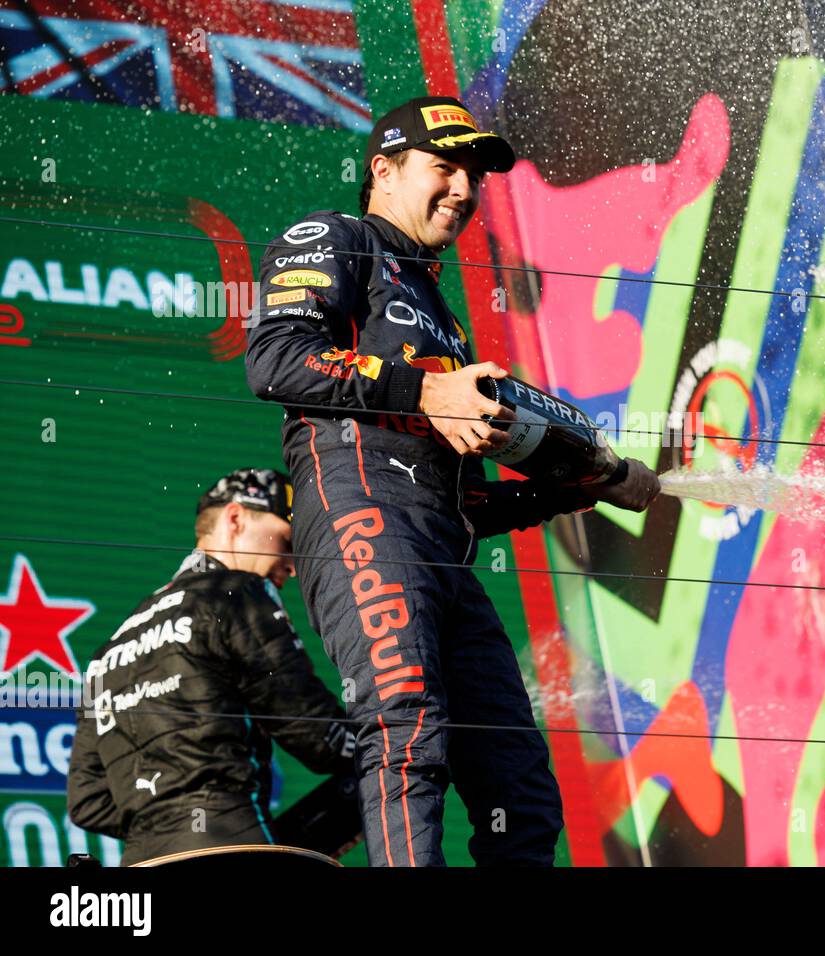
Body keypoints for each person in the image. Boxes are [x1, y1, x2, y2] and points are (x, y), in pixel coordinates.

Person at [244, 95, 659, 866]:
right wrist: (428, 390)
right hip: (361, 518)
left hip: (444, 555)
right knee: (407, 731)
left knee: (520, 789)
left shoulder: (437, 306)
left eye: (474, 175)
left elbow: (469, 503)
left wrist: (578, 485)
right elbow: (274, 361)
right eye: (446, 167)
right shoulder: (336, 237)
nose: (465, 189)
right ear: (383, 169)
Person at [67, 468, 356, 866]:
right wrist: (388, 741)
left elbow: (87, 800)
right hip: (233, 843)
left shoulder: (108, 650)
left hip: (142, 865)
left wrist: (164, 817)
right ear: (235, 519)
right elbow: (317, 735)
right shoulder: (236, 593)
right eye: (288, 542)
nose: (292, 566)